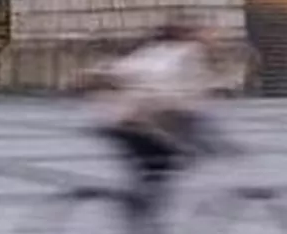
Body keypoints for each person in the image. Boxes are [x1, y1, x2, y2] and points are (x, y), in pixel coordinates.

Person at [88, 18, 224, 233]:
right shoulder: (186, 54)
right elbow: (183, 103)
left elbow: (116, 70)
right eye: (208, 34)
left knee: (155, 170)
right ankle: (144, 216)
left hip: (118, 121)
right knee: (163, 164)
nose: (213, 39)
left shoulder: (154, 51)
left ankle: (140, 211)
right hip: (135, 123)